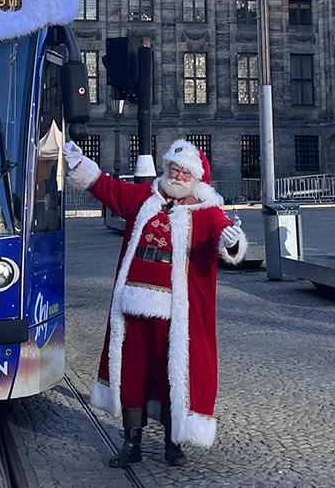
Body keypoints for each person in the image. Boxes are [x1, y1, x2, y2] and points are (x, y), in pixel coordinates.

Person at [62, 138, 247, 468]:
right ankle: (130, 442)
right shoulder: (143, 199)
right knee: (132, 376)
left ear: (194, 177)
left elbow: (220, 232)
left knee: (171, 377)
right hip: (132, 308)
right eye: (172, 169)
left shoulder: (206, 211)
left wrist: (230, 241)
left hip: (175, 317)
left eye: (183, 171)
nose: (176, 175)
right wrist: (79, 164)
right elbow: (107, 188)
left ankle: (172, 444)